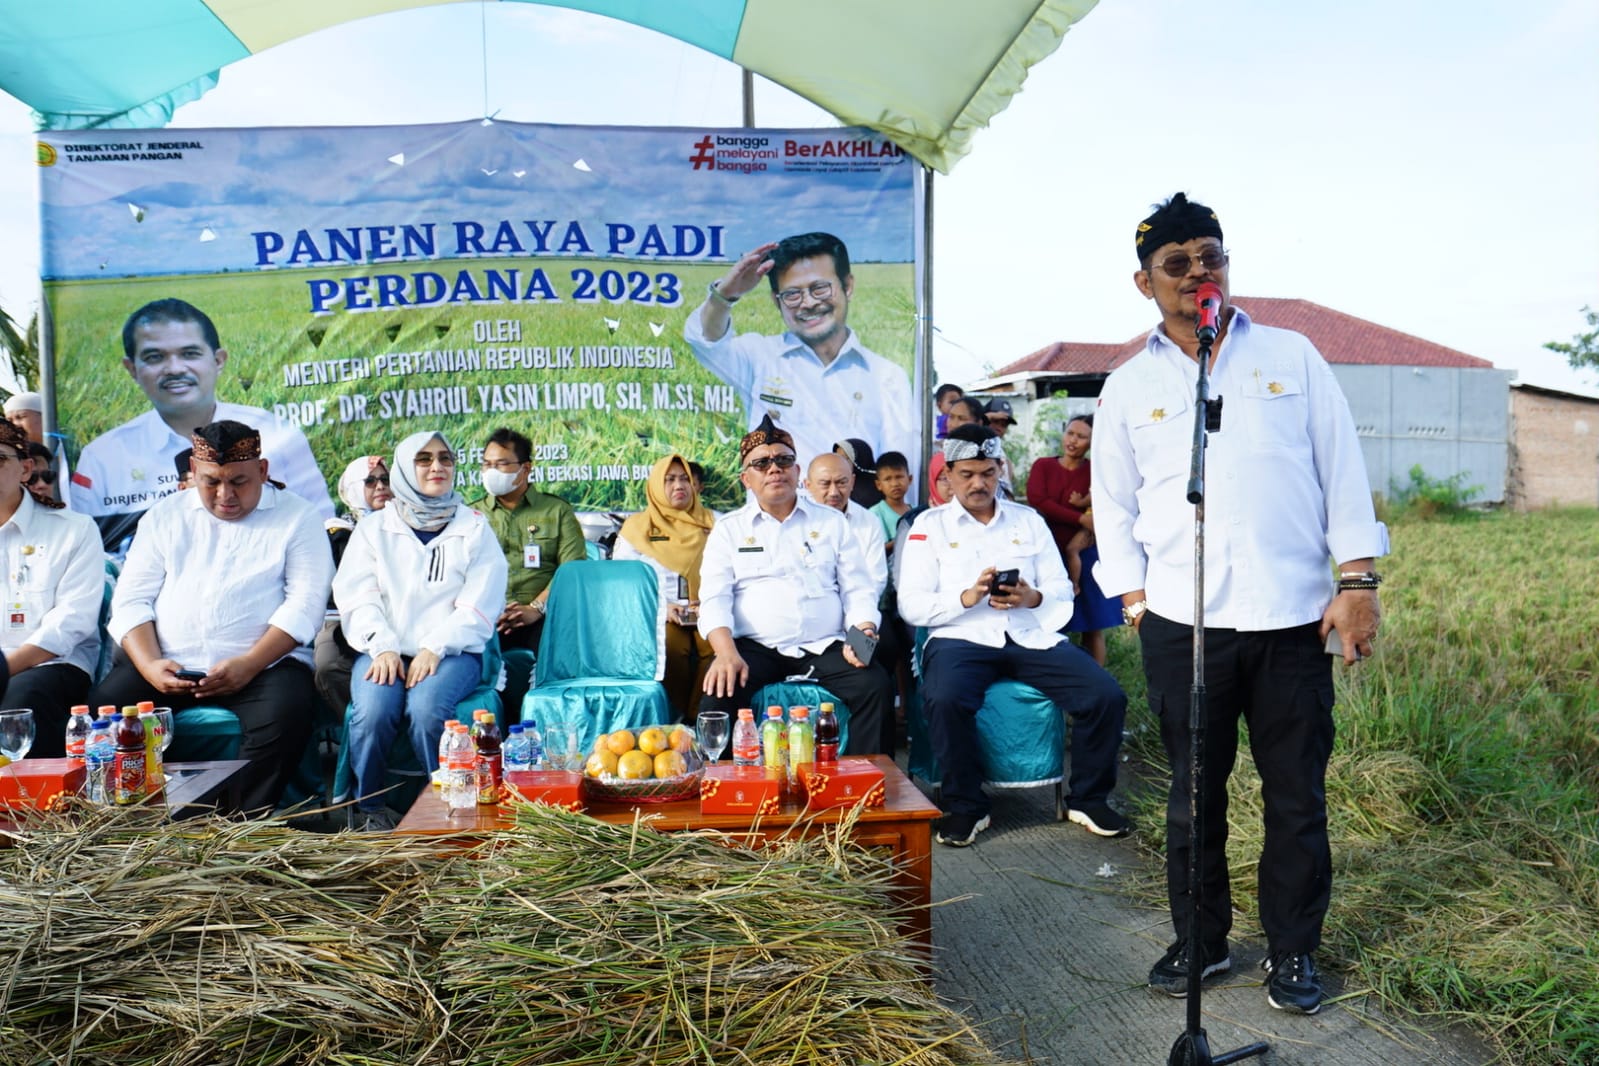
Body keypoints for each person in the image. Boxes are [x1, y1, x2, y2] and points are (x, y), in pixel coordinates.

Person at [1093, 192, 1385, 1015]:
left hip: (1292, 619)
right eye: (1176, 264)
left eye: (1209, 256)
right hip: (1182, 627)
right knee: (1192, 794)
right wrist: (1134, 601)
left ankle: (1292, 952)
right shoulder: (1128, 383)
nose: (1197, 274)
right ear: (1144, 282)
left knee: (1295, 796)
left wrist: (1356, 583)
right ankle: (1201, 940)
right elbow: (1110, 503)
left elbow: (1341, 470)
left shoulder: (1290, 355)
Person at [897, 424, 1129, 847]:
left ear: (1000, 469)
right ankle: (967, 805)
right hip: (960, 636)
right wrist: (965, 598)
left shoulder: (1029, 521)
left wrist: (1031, 596)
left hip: (1028, 634)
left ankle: (1088, 799)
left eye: (987, 472)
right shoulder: (927, 527)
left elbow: (1061, 593)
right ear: (947, 474)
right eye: (966, 474)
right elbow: (910, 604)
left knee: (1105, 695)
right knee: (945, 698)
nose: (978, 483)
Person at [90, 420, 334, 815]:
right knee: (107, 708)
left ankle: (238, 829)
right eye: (211, 482)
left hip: (262, 667)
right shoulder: (165, 516)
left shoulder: (298, 517)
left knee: (287, 713)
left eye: (239, 481)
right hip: (166, 663)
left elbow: (305, 604)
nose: (225, 495)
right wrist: (150, 666)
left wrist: (249, 664)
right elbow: (132, 600)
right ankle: (121, 822)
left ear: (263, 470)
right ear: (193, 470)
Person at [333, 431, 507, 831]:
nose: (437, 467)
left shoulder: (474, 528)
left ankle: (448, 806)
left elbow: (480, 603)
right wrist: (383, 647)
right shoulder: (375, 529)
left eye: (445, 458)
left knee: (429, 711)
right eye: (424, 459)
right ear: (405, 470)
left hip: (453, 652)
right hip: (384, 649)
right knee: (375, 710)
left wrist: (434, 646)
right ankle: (369, 808)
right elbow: (357, 596)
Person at [697, 414, 891, 754]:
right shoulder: (729, 529)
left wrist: (862, 633)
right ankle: (726, 792)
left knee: (874, 684)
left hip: (824, 644)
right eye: (761, 463)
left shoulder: (832, 523)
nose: (774, 468)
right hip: (756, 648)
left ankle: (865, 789)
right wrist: (726, 653)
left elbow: (858, 589)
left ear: (797, 472)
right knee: (718, 693)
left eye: (783, 460)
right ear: (746, 479)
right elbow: (714, 598)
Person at [70, 298, 333, 533]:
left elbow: (322, 523)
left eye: (190, 354)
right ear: (132, 369)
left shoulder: (276, 432)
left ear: (218, 361)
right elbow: (92, 549)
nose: (174, 369)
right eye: (154, 357)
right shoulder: (103, 457)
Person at [683, 232, 915, 465]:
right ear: (776, 300)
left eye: (820, 288)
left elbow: (901, 466)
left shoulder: (887, 376)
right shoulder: (758, 356)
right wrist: (725, 295)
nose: (809, 303)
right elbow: (704, 342)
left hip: (854, 503)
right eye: (792, 294)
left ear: (848, 286)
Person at [0, 421, 103, 755]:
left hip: (51, 664)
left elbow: (71, 622)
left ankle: (34, 805)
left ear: (25, 468)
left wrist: (3, 670)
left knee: (20, 700)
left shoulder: (73, 529)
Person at [613, 454, 716, 719]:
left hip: (708, 607)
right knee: (671, 646)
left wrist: (711, 602)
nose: (678, 486)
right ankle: (676, 714)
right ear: (656, 486)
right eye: (669, 480)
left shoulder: (714, 523)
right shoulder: (636, 528)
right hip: (659, 610)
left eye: (684, 479)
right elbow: (625, 583)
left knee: (715, 646)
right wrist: (662, 606)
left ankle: (698, 719)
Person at [469, 427, 586, 654]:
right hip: (486, 617)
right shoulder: (472, 515)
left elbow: (572, 569)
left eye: (501, 464)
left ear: (526, 469)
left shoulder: (556, 510)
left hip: (545, 616)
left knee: (557, 655)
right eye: (487, 464)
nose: (492, 471)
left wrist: (536, 608)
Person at [1027, 415, 1121, 665]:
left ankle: (1098, 681)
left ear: (1092, 442)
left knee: (1092, 624)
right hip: (1049, 551)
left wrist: (1090, 524)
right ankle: (1059, 678)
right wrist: (1081, 520)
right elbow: (1038, 499)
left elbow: (1109, 501)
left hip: (1085, 552)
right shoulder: (1043, 466)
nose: (1073, 441)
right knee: (1051, 620)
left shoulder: (1096, 470)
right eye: (1070, 433)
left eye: (1081, 437)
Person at [312, 456, 392, 716]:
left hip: (398, 612)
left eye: (385, 479)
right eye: (370, 481)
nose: (380, 486)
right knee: (328, 665)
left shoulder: (405, 524)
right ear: (353, 489)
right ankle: (357, 722)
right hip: (342, 618)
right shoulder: (337, 532)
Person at [805, 452, 888, 600]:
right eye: (825, 483)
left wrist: (857, 613)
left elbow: (876, 579)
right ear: (808, 485)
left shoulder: (869, 521)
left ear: (852, 482)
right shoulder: (797, 521)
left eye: (841, 482)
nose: (833, 492)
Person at [869, 451, 914, 547]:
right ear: (879, 485)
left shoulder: (916, 511)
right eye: (888, 479)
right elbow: (876, 549)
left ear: (910, 479)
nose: (895, 484)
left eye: (899, 477)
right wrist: (905, 539)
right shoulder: (875, 513)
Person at [982, 399, 1019, 499]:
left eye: (1003, 425)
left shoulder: (1002, 454)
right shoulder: (974, 446)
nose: (999, 428)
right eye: (994, 421)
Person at [833, 438, 882, 508]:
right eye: (838, 458)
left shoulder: (880, 484)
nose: (840, 462)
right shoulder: (839, 482)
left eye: (845, 458)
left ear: (860, 459)